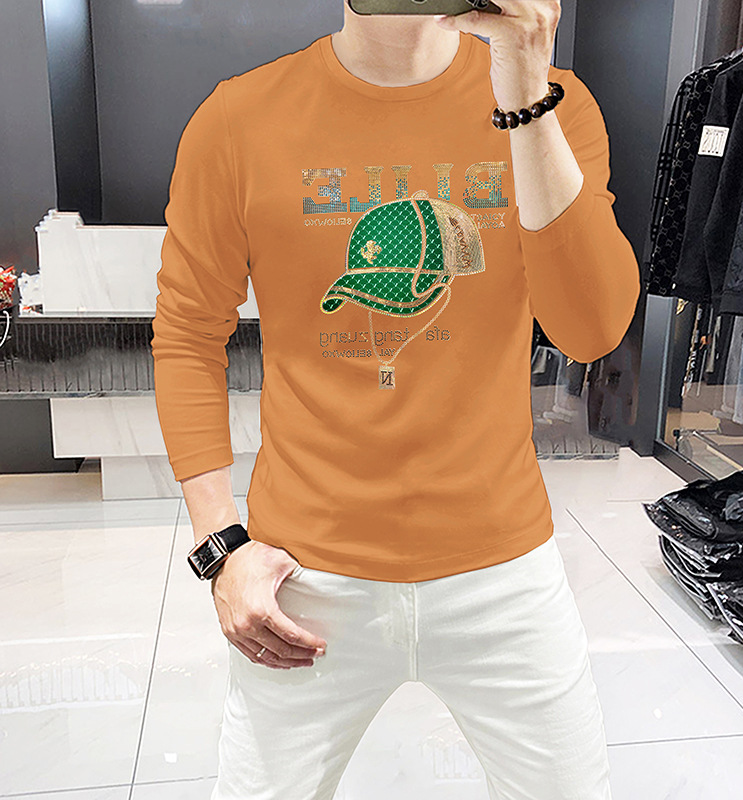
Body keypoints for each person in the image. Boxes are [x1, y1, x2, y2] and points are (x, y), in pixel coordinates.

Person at [150, 1, 641, 798]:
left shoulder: (552, 102)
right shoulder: (239, 120)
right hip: (304, 574)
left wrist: (524, 92)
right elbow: (187, 334)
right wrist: (219, 547)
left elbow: (591, 331)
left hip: (502, 565)